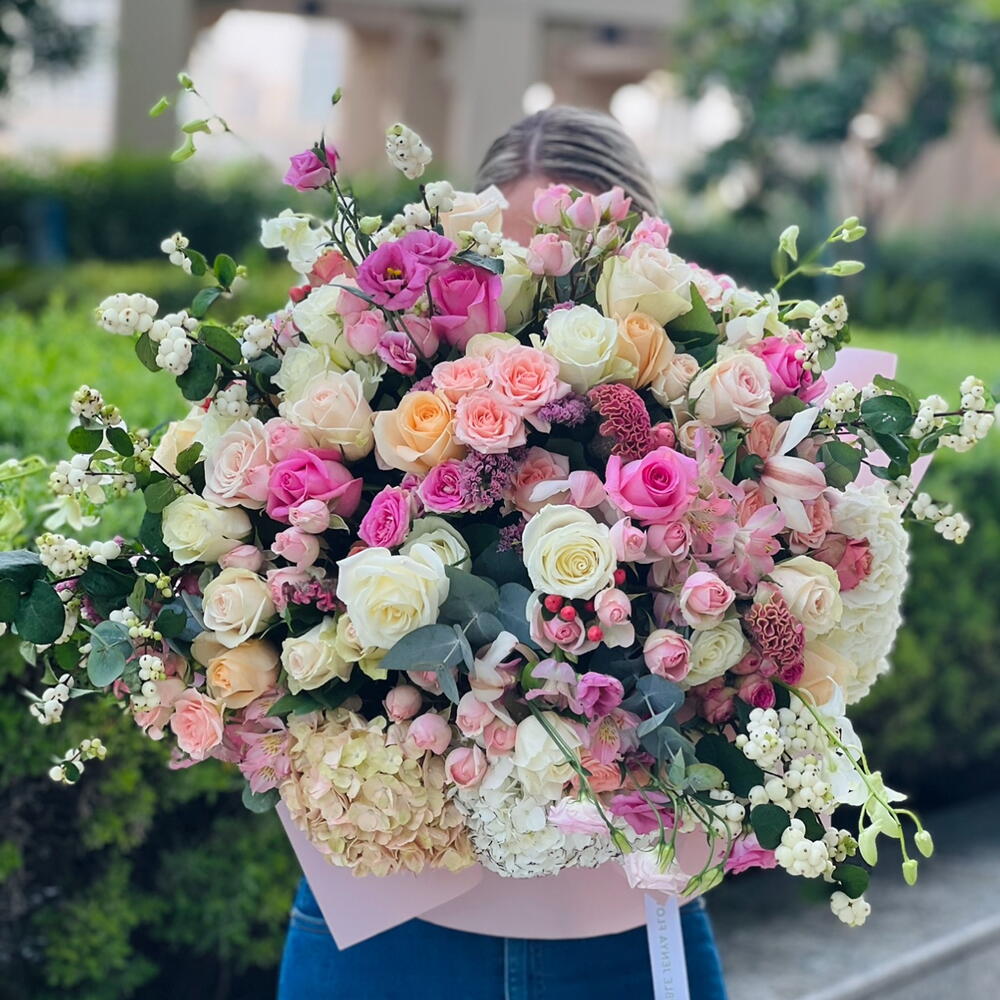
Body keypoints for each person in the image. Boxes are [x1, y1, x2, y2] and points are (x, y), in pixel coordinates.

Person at [277, 106, 729, 1000]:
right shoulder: (381, 396)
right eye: (516, 263)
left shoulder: (703, 428)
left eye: (580, 277)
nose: (545, 305)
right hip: (390, 930)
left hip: (622, 934)